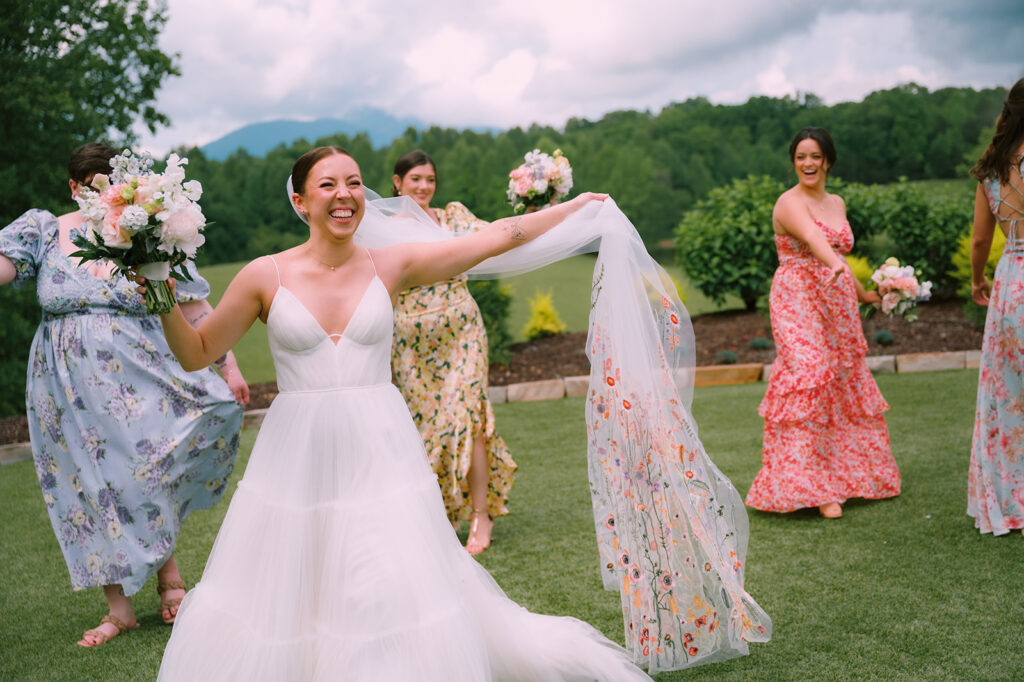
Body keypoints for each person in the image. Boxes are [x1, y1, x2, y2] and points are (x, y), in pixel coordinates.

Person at [152, 146, 654, 680]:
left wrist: (575, 208)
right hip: (298, 451)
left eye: (353, 182)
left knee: (385, 572)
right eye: (327, 185)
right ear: (300, 201)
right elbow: (197, 351)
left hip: (379, 445)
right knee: (297, 574)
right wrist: (160, 286)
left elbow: (495, 238)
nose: (344, 195)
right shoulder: (264, 275)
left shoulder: (391, 264)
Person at [0, 143, 249, 646]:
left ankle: (170, 582)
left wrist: (230, 364)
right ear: (73, 188)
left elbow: (191, 302)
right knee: (88, 483)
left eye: (108, 190)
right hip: (63, 384)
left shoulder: (142, 230)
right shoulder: (45, 229)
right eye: (90, 190)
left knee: (146, 470)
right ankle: (119, 608)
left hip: (142, 372)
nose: (101, 200)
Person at [745, 127, 901, 518]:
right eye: (801, 157)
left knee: (842, 378)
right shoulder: (788, 203)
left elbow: (839, 256)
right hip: (798, 296)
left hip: (837, 298)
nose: (808, 163)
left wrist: (867, 293)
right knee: (810, 373)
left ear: (828, 161)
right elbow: (815, 239)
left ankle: (851, 478)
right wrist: (832, 263)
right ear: (793, 162)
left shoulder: (837, 202)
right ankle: (811, 488)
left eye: (815, 156)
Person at [390, 150, 514, 554]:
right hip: (409, 342)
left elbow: (497, 236)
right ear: (397, 183)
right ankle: (438, 516)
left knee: (467, 418)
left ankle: (482, 514)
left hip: (462, 332)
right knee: (427, 429)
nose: (424, 186)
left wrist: (537, 212)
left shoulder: (454, 218)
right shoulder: (382, 229)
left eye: (430, 179)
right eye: (415, 180)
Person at [967, 77, 1024, 535]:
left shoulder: (991, 169)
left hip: (1011, 281)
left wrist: (977, 279)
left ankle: (1014, 503)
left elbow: (982, 238)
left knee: (1009, 394)